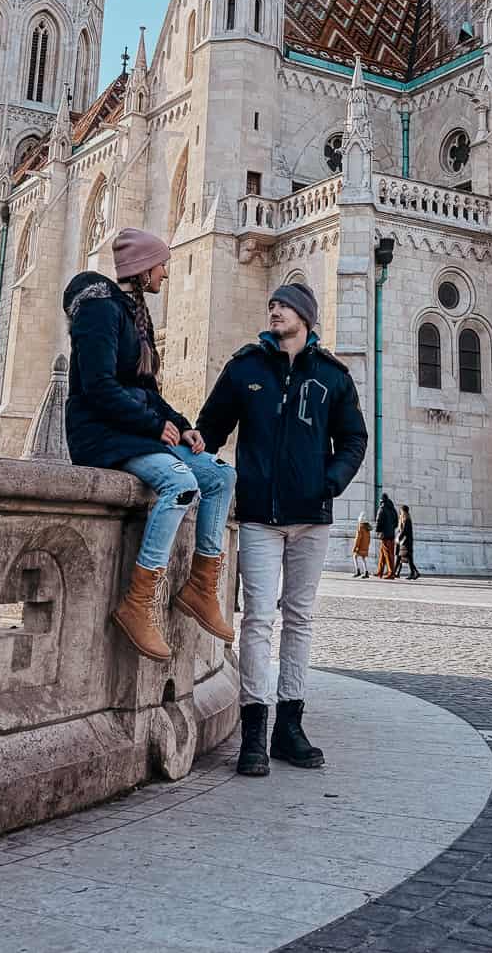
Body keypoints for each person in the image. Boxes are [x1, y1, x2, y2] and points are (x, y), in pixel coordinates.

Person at [198, 281, 367, 776]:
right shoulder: (245, 367)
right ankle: (254, 728)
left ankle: (289, 726)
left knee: (299, 619)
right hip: (258, 517)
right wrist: (182, 440)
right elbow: (211, 428)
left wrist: (329, 484)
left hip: (311, 517)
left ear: (306, 318)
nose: (275, 310)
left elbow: (354, 438)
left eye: (285, 306)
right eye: (271, 304)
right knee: (256, 620)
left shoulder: (333, 376)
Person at [63, 229, 237, 663]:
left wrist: (181, 424)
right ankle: (139, 602)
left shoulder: (135, 313)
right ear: (141, 270)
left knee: (219, 475)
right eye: (161, 265)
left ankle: (201, 585)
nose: (166, 273)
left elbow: (147, 388)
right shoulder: (100, 311)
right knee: (180, 483)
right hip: (100, 434)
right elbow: (99, 387)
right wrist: (153, 424)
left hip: (134, 428)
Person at [374, 493, 398, 579]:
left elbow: (378, 521)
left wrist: (378, 531)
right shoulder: (393, 509)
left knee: (387, 554)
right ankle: (380, 571)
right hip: (391, 534)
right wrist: (391, 528)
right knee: (383, 554)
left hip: (385, 535)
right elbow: (396, 522)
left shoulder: (382, 508)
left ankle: (391, 573)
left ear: (381, 500)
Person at [394, 504, 420, 579]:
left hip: (406, 541)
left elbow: (404, 531)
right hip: (404, 541)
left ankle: (413, 573)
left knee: (408, 558)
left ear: (404, 511)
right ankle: (413, 573)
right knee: (406, 558)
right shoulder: (405, 519)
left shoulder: (406, 520)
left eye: (401, 511)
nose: (400, 512)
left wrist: (399, 537)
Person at [351, 513, 372, 578]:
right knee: (363, 558)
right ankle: (366, 572)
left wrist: (355, 547)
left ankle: (357, 571)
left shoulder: (360, 527)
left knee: (354, 556)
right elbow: (368, 538)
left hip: (360, 546)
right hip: (365, 546)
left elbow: (358, 538)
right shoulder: (367, 528)